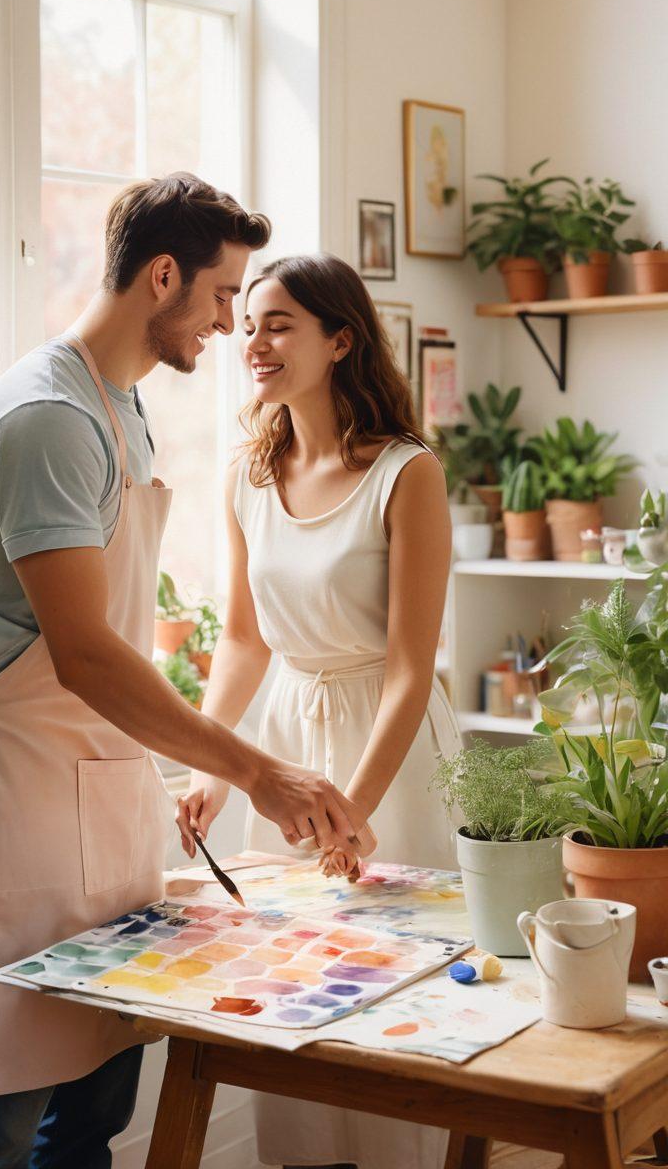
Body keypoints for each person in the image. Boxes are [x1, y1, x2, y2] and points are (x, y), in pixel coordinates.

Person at [0, 176, 360, 1169]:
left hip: (100, 790)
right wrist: (255, 770)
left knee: (92, 1115)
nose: (227, 323)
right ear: (163, 275)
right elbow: (88, 654)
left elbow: (117, 637)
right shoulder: (45, 418)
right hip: (5, 789)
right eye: (221, 295)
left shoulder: (122, 409)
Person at [176, 252, 463, 1169]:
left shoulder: (406, 473)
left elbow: (413, 670)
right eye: (248, 321)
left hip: (392, 751)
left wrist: (357, 806)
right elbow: (241, 641)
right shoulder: (244, 475)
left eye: (279, 322)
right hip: (286, 745)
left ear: (341, 340)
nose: (252, 341)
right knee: (294, 989)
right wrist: (213, 771)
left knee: (398, 994)